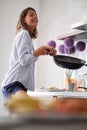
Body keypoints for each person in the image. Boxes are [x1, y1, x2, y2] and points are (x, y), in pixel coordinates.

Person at [1, 7, 57, 102]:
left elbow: (26, 58)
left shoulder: (27, 37)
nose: (35, 16)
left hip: (17, 86)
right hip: (14, 85)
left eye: (36, 15)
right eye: (31, 15)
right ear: (23, 19)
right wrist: (39, 50)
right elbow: (24, 60)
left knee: (22, 115)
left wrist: (41, 52)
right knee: (32, 110)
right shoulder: (24, 33)